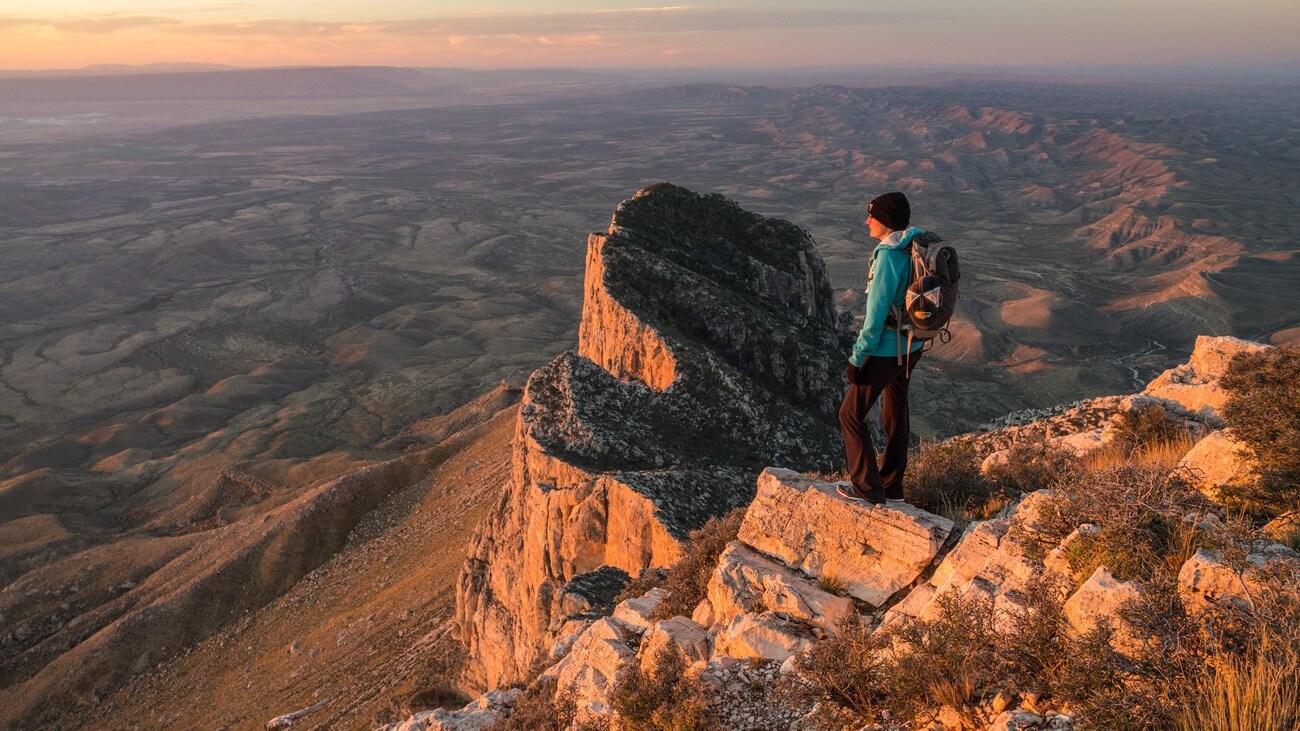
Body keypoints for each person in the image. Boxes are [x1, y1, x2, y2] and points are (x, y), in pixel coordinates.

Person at [837, 191, 924, 505]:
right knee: (895, 412)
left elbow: (874, 316)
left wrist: (858, 357)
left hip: (887, 349)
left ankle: (867, 489)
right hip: (911, 345)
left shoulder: (888, 256)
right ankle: (893, 486)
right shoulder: (913, 247)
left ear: (885, 220)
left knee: (850, 414)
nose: (866, 221)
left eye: (871, 215)